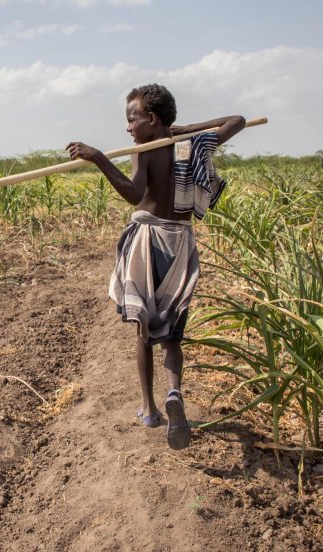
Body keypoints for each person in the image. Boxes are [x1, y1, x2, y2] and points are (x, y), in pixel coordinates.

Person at [65, 84, 244, 450]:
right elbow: (237, 120)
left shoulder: (143, 150)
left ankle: (149, 409)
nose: (128, 128)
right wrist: (182, 130)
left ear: (151, 118)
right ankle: (174, 392)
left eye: (132, 119)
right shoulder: (190, 145)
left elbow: (133, 193)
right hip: (179, 242)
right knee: (173, 332)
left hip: (148, 242)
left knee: (144, 328)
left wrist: (99, 158)